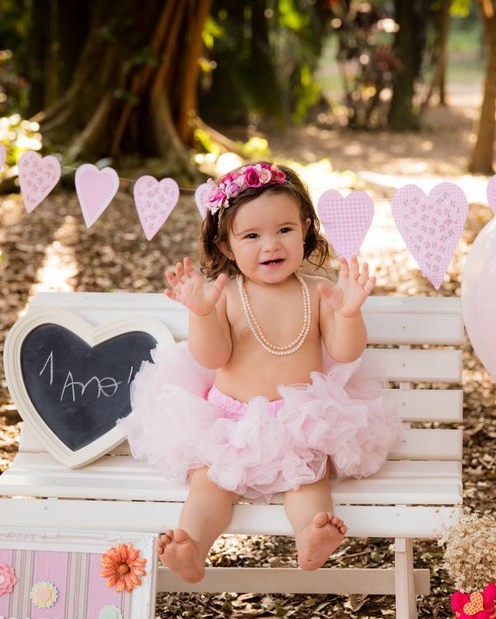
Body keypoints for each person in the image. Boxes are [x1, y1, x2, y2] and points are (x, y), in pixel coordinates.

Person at [119, 162, 400, 584]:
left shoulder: (316, 290)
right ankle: (193, 546)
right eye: (251, 236)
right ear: (228, 246)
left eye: (284, 230)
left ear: (305, 229)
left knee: (308, 480)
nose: (271, 245)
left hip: (297, 420)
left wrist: (348, 312)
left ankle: (310, 535)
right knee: (210, 486)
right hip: (229, 422)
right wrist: (201, 313)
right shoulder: (227, 293)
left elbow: (345, 350)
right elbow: (212, 357)